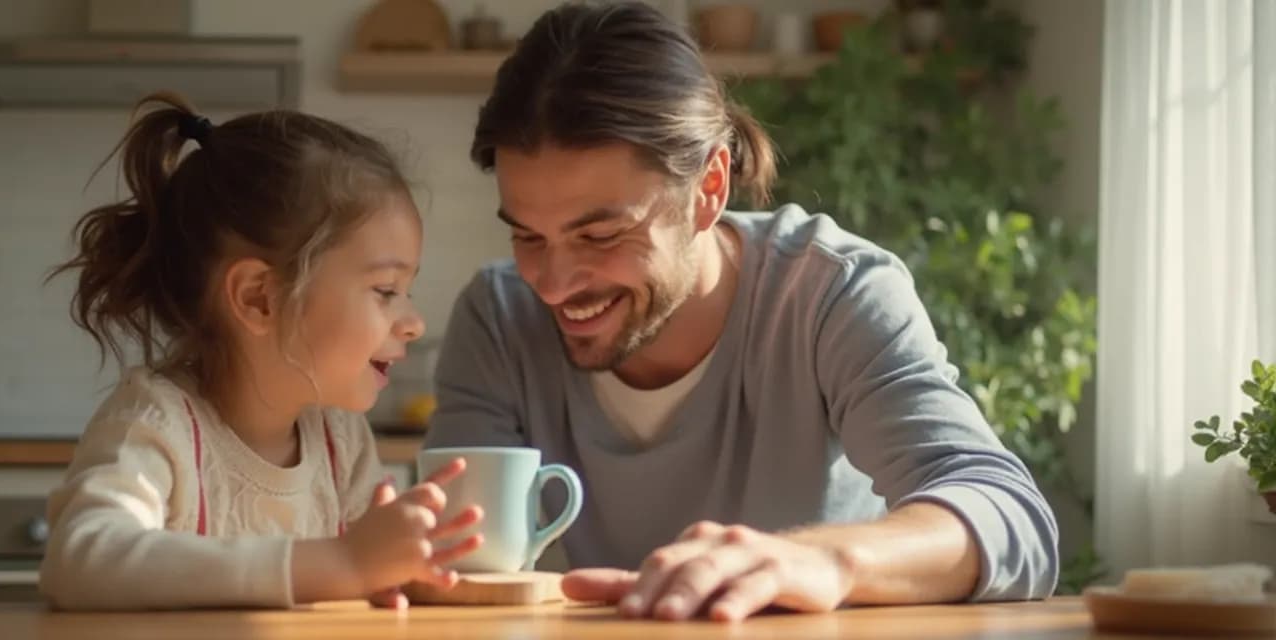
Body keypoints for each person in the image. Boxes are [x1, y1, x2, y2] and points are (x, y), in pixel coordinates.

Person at [424, 1, 1059, 622]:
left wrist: (820, 560)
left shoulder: (830, 294)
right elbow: (453, 560)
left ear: (708, 189)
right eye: (528, 236)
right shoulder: (498, 320)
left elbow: (1010, 517)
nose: (554, 285)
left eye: (600, 235)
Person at [38, 92, 482, 610]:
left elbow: (362, 577)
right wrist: (343, 563)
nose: (414, 323)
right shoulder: (156, 423)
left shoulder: (341, 440)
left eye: (408, 290)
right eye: (386, 290)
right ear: (259, 299)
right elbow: (81, 561)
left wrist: (399, 566)